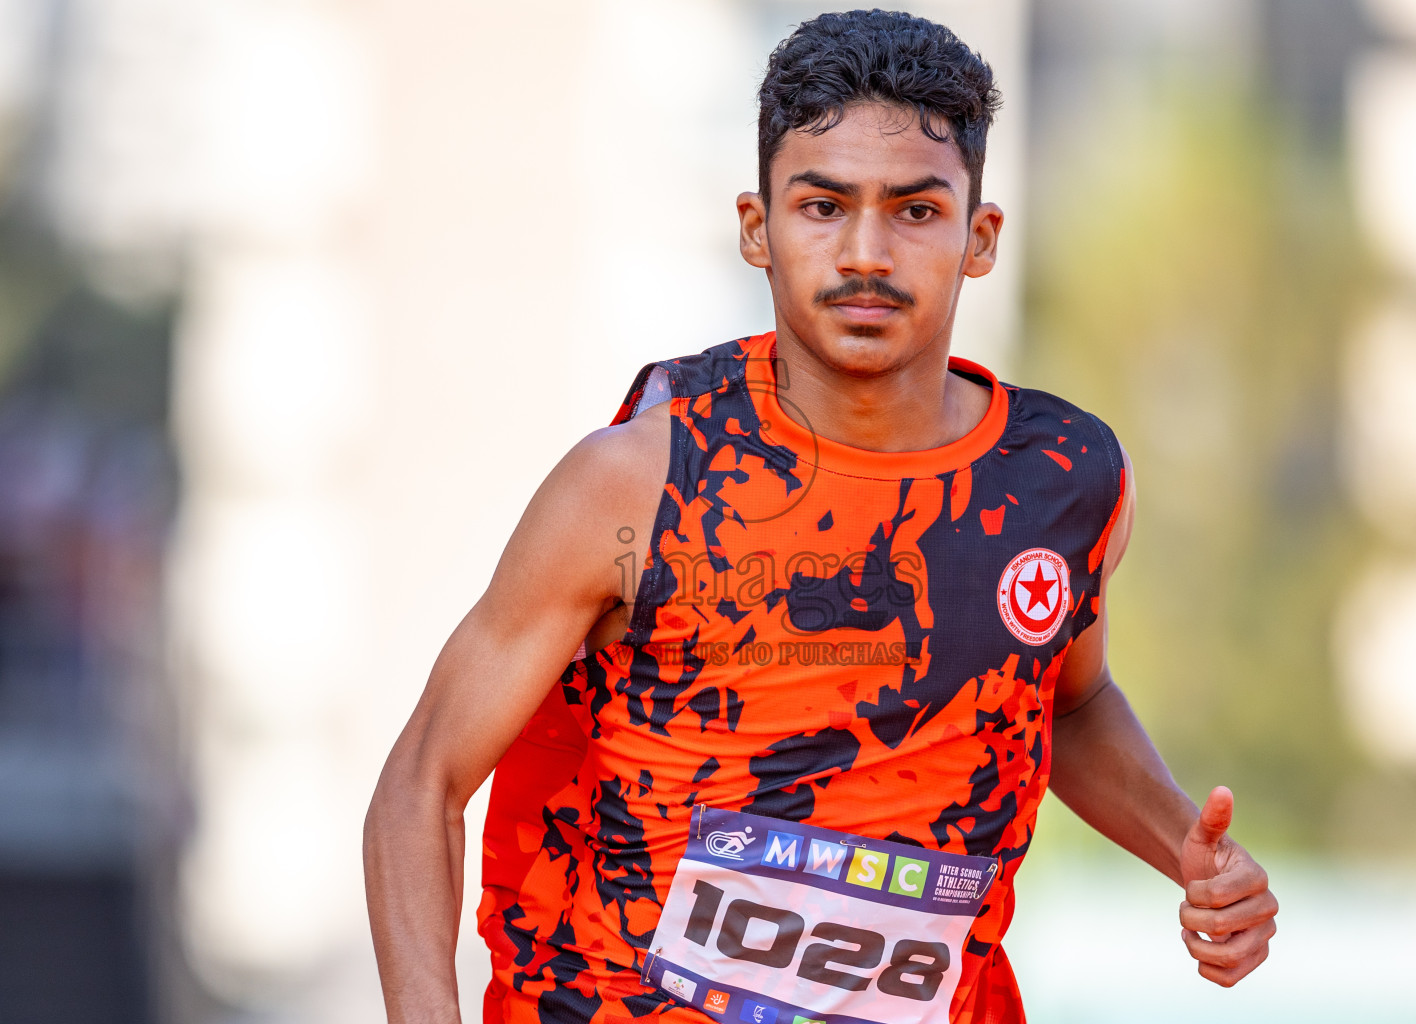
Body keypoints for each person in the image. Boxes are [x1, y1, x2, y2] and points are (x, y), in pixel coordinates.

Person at [364, 10, 1278, 1024]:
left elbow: (1058, 700)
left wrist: (1189, 850)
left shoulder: (1065, 481)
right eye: (824, 205)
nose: (866, 252)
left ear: (979, 238)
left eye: (915, 211)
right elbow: (421, 783)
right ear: (758, 227)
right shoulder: (636, 485)